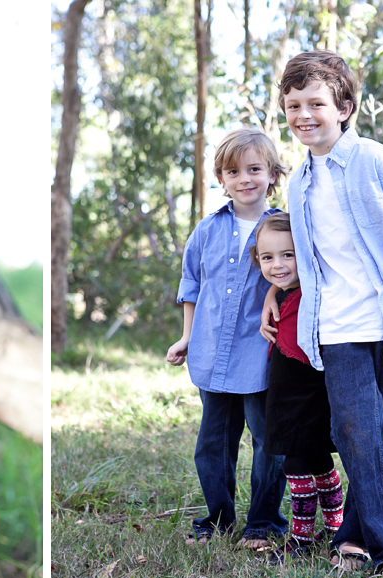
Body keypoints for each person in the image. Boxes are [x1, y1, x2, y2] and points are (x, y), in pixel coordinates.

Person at [262, 50, 383, 578]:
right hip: (336, 325)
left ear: (343, 106)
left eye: (315, 102)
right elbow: (299, 254)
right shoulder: (298, 183)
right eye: (293, 105)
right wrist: (277, 294)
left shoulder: (380, 162)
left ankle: (355, 537)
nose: (303, 115)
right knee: (355, 432)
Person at [166, 128, 289, 550]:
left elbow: (295, 281)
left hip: (262, 353)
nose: (244, 179)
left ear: (272, 174)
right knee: (212, 443)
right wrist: (186, 337)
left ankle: (264, 523)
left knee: (268, 442)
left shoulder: (284, 228)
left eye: (254, 169)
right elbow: (192, 286)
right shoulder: (206, 231)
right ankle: (217, 518)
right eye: (233, 171)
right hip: (212, 351)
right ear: (221, 178)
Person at [249, 213, 344, 562]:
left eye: (288, 254)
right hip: (285, 391)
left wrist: (275, 291)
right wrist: (271, 293)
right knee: (314, 460)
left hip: (311, 390)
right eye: (268, 257)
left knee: (299, 463)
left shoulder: (317, 288)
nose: (278, 265)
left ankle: (303, 539)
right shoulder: (283, 292)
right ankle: (335, 528)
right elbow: (282, 280)